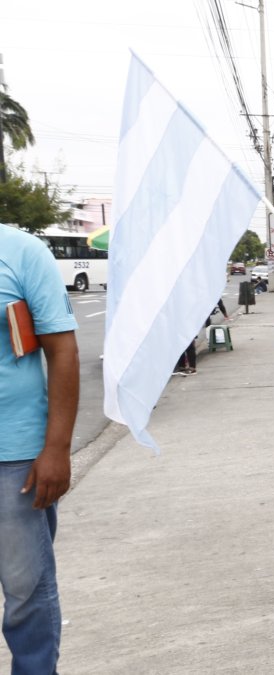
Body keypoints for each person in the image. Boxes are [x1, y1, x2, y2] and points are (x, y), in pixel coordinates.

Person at [0, 224, 80, 674]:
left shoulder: (21, 252)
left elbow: (62, 350)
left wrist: (56, 448)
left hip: (14, 458)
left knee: (25, 592)